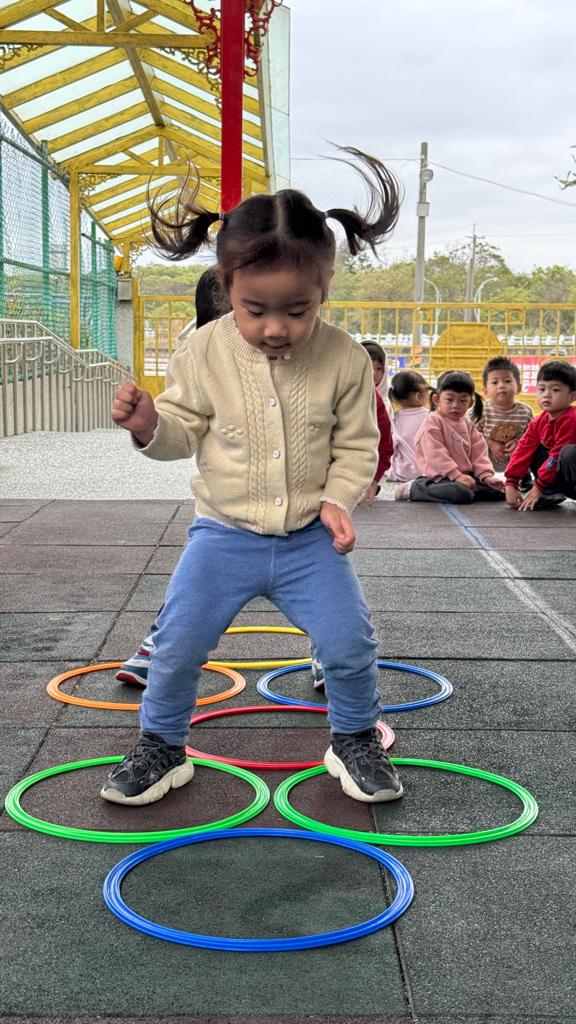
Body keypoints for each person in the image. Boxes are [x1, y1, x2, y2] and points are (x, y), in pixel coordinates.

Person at [101, 146, 405, 808]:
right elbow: (181, 434)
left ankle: (354, 738)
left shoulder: (345, 358)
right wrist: (149, 424)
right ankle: (162, 744)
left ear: (325, 289)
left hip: (309, 539)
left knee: (349, 641)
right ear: (225, 286)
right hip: (222, 535)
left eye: (297, 310)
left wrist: (339, 499)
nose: (274, 328)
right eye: (254, 308)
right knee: (177, 644)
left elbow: (359, 443)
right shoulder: (201, 350)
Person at [115, 265, 230, 688]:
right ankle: (159, 645)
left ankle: (331, 654)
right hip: (224, 516)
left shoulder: (310, 357)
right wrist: (151, 427)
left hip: (303, 513)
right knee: (193, 591)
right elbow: (180, 434)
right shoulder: (200, 361)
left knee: (326, 601)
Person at [394, 370, 505, 503]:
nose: (455, 406)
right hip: (440, 478)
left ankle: (470, 490)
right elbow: (435, 454)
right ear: (437, 400)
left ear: (470, 403)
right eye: (449, 400)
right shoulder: (433, 422)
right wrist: (456, 475)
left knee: (500, 491)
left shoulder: (468, 425)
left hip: (464, 476)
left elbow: (479, 454)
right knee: (461, 493)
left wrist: (486, 477)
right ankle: (415, 488)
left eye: (462, 400)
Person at [505, 359, 576, 510]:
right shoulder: (539, 422)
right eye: (542, 389)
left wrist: (536, 488)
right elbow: (522, 450)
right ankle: (549, 490)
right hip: (558, 479)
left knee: (567, 452)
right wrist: (511, 482)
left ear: (572, 396)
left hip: (572, 478)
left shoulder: (572, 418)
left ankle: (544, 487)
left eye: (555, 390)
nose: (547, 395)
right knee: (530, 446)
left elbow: (556, 455)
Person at [477, 356, 533, 474]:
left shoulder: (526, 412)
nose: (501, 385)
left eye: (507, 381)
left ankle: (524, 476)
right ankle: (481, 475)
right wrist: (489, 443)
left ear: (518, 388)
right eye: (495, 382)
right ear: (485, 391)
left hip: (516, 457)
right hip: (488, 456)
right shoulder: (481, 410)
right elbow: (470, 433)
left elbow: (532, 435)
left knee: (533, 447)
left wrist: (518, 441)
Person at [386, 370, 430, 482]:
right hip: (429, 473)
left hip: (404, 474)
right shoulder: (432, 417)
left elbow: (389, 449)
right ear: (418, 397)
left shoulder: (394, 420)